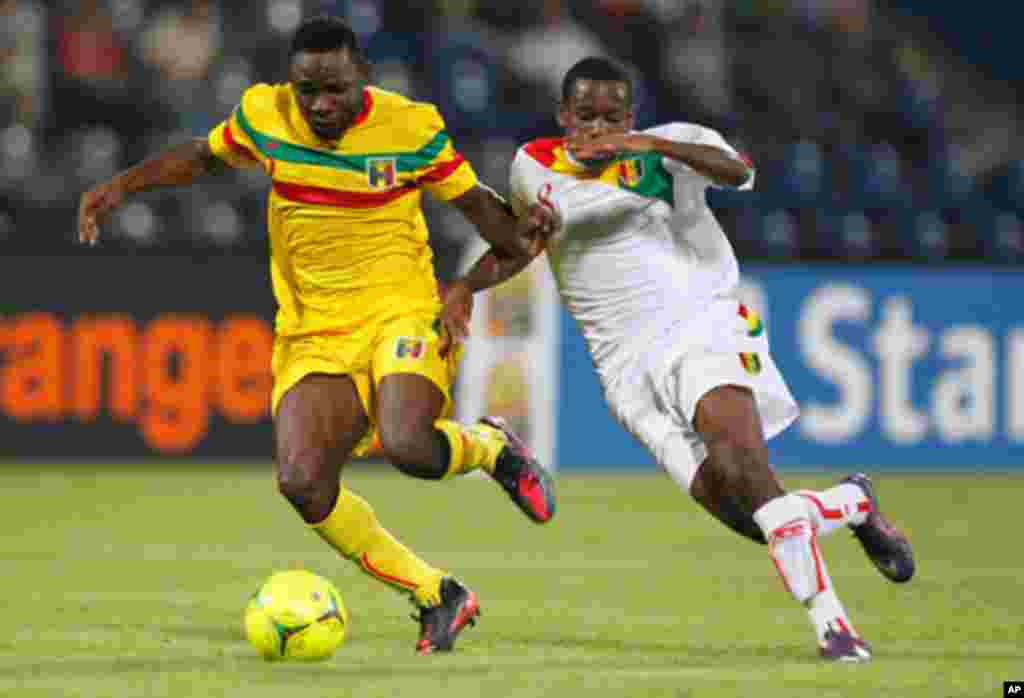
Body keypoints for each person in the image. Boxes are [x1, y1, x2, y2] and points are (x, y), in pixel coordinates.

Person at [77, 15, 558, 656]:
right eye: (308, 90)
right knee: (302, 482)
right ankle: (436, 592)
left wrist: (518, 238)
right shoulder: (264, 115)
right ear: (291, 84)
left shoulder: (410, 128)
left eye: (335, 88)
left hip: (401, 311)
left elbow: (490, 222)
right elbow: (203, 155)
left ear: (361, 74)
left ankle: (489, 447)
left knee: (410, 446)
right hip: (312, 330)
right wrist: (122, 184)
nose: (321, 104)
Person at [444, 57, 914, 662]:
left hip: (700, 323)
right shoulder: (532, 165)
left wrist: (647, 144)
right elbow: (522, 243)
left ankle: (835, 630)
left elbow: (738, 170)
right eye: (584, 115)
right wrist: (464, 287)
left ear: (631, 116)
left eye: (612, 116)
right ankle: (852, 502)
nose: (597, 127)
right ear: (564, 116)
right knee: (755, 518)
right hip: (622, 368)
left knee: (751, 476)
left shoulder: (673, 147)